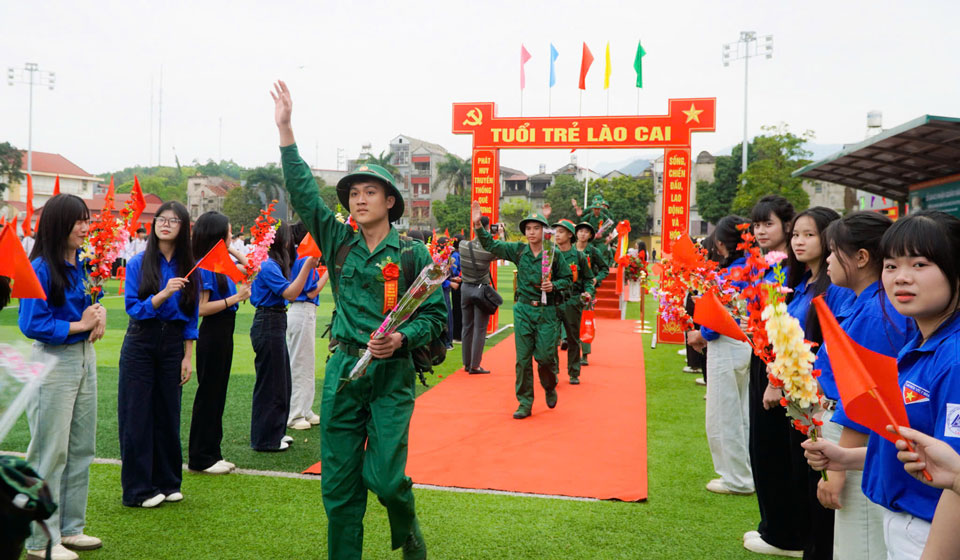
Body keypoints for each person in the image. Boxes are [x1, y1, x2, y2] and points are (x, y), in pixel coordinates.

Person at [272, 79, 445, 560]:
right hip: (344, 375)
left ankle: (406, 525)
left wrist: (403, 338)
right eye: (354, 192)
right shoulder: (338, 241)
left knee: (387, 482)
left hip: (392, 378)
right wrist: (286, 131)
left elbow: (435, 317)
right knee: (340, 492)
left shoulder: (413, 254)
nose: (359, 199)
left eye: (371, 192)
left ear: (391, 201)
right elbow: (305, 192)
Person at [803, 211, 960, 560]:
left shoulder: (954, 359)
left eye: (919, 264)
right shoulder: (920, 343)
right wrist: (846, 457)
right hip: (905, 522)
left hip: (932, 530)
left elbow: (955, 482)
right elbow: (920, 454)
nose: (901, 278)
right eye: (891, 266)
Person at [810, 211, 905, 560]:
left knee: (860, 542)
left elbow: (867, 399)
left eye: (834, 251)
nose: (828, 259)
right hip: (843, 433)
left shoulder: (877, 313)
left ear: (862, 258)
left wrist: (841, 467)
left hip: (854, 439)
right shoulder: (863, 302)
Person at [18, 194, 106, 560]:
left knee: (81, 447)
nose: (86, 228)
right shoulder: (39, 267)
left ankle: (70, 528)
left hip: (84, 357)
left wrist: (96, 315)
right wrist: (79, 324)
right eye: (79, 221)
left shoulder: (82, 265)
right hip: (53, 362)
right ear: (59, 224)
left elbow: (86, 307)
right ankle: (40, 541)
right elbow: (31, 323)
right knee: (49, 451)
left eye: (87, 221)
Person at [118, 201, 198, 508]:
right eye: (161, 219)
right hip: (141, 341)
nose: (165, 224)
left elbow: (191, 317)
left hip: (173, 343)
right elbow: (133, 308)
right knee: (137, 414)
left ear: (183, 227)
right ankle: (138, 489)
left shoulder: (189, 266)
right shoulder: (139, 262)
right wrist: (162, 294)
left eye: (173, 220)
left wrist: (187, 356)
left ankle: (167, 481)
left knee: (169, 412)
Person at [471, 200, 572, 419]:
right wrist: (479, 226)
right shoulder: (519, 251)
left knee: (545, 358)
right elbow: (492, 246)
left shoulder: (552, 254)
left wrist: (554, 285)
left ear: (544, 231)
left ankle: (549, 383)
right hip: (524, 310)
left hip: (547, 312)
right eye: (528, 228)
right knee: (523, 359)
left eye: (536, 228)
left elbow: (567, 279)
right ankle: (525, 402)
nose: (531, 232)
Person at [743, 195, 802, 557]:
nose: (762, 231)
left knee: (776, 449)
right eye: (757, 225)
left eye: (769, 224)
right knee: (762, 447)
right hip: (761, 355)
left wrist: (774, 378)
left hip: (778, 364)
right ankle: (772, 526)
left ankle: (785, 534)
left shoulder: (790, 269)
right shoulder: (764, 265)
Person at [689, 216, 755, 496]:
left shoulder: (729, 274)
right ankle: (744, 472)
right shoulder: (752, 269)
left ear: (719, 243)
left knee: (724, 414)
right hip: (745, 344)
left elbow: (719, 317)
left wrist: (700, 335)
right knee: (741, 413)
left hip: (726, 345)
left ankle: (736, 478)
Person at [187, 211, 250, 475]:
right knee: (209, 394)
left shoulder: (219, 261)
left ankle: (213, 452)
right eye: (228, 232)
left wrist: (234, 251)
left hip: (224, 331)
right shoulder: (206, 265)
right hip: (213, 331)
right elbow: (201, 308)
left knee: (217, 393)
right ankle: (201, 457)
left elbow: (249, 268)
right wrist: (235, 300)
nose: (231, 235)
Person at [249, 223, 316, 450]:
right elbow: (290, 293)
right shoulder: (268, 265)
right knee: (270, 384)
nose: (291, 244)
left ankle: (275, 431)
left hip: (275, 320)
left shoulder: (272, 264)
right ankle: (264, 439)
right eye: (288, 240)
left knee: (281, 382)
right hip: (268, 321)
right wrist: (307, 267)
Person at [286, 222, 327, 431]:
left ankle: (305, 409)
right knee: (299, 364)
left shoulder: (301, 256)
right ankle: (294, 414)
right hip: (301, 308)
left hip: (304, 311)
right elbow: (311, 291)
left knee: (307, 364)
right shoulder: (304, 257)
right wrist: (329, 272)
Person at [553, 218, 595, 385]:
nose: (557, 235)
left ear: (570, 235)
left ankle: (574, 372)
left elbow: (588, 279)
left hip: (572, 301)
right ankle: (553, 370)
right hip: (554, 301)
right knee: (551, 338)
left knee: (572, 339)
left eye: (561, 232)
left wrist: (587, 293)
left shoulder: (579, 256)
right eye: (556, 231)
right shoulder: (550, 254)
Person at [459, 216, 497, 374]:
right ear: (486, 228)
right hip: (481, 290)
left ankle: (467, 363)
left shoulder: (462, 245)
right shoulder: (488, 251)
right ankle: (475, 365)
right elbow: (498, 250)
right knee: (480, 329)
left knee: (467, 327)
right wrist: (496, 236)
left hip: (465, 288)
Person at [575, 221, 607, 366]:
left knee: (585, 320)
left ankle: (585, 354)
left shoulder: (593, 251)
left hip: (586, 289)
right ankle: (565, 341)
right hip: (570, 289)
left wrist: (595, 279)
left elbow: (604, 269)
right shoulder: (568, 249)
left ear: (590, 235)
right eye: (580, 231)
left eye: (586, 232)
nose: (582, 234)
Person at [438, 236, 461, 350]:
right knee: (445, 316)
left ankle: (448, 341)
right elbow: (436, 277)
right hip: (441, 292)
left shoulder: (446, 258)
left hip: (446, 291)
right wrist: (449, 283)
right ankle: (445, 342)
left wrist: (453, 279)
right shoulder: (438, 259)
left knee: (449, 317)